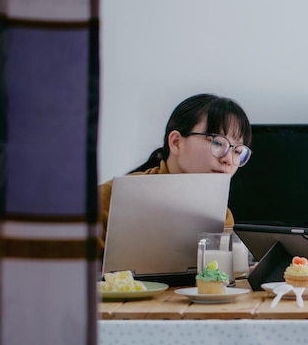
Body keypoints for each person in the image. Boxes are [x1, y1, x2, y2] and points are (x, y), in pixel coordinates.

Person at [98, 93, 252, 250]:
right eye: (218, 142)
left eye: (238, 151)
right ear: (176, 142)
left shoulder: (221, 215)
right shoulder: (106, 199)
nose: (227, 159)